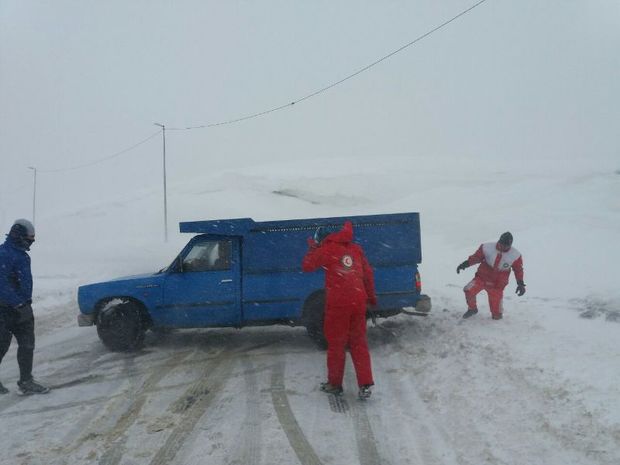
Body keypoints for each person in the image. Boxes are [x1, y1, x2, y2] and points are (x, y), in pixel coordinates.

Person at [302, 221, 377, 400]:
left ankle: (335, 384)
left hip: (338, 304)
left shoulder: (326, 249)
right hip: (358, 302)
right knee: (359, 343)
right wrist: (371, 298)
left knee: (336, 345)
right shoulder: (356, 249)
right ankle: (365, 384)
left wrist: (313, 248)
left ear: (322, 239)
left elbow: (307, 266)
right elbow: (368, 274)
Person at [0, 219, 49, 395]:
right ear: (18, 236)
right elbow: (1, 283)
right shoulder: (4, 254)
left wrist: (24, 303)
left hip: (23, 307)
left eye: (32, 240)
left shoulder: (22, 255)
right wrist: (16, 302)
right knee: (1, 345)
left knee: (27, 345)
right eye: (28, 239)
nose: (30, 243)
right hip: (5, 309)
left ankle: (26, 381)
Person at [456, 232, 526, 320]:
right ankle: (472, 309)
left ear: (510, 245)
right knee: (468, 290)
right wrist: (464, 264)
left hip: (497, 285)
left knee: (497, 316)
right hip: (482, 278)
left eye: (506, 246)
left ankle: (496, 316)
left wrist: (520, 284)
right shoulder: (486, 247)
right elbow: (476, 258)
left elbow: (518, 270)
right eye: (502, 244)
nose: (503, 247)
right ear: (499, 241)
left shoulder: (515, 255)